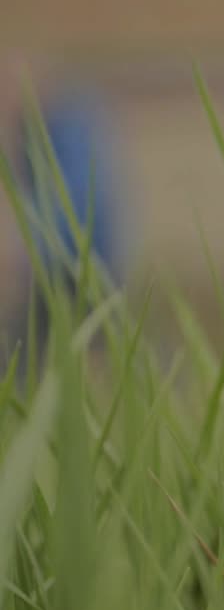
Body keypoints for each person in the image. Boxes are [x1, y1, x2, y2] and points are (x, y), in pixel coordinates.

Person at [0, 54, 127, 376]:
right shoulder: (34, 133)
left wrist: (22, 248)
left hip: (77, 275)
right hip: (55, 276)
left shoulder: (67, 129)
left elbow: (81, 215)